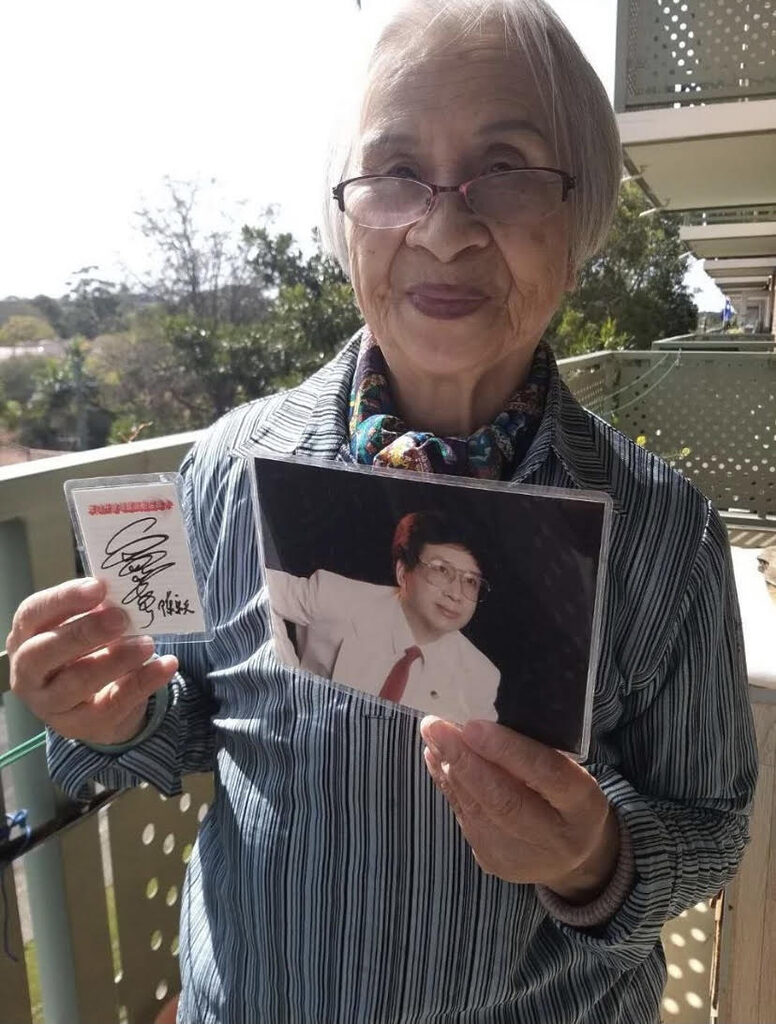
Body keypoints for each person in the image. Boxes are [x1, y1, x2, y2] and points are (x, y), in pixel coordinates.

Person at [6, 2, 757, 1022]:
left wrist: (595, 856)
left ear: (577, 220)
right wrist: (111, 711)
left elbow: (711, 825)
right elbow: (180, 721)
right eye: (395, 170)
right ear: (344, 214)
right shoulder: (224, 471)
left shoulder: (664, 535)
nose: (442, 228)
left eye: (506, 168)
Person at [266, 510, 500, 722]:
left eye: (470, 581)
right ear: (403, 573)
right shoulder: (339, 598)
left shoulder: (481, 677)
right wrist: (288, 679)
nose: (456, 594)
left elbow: (477, 752)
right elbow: (258, 586)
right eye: (442, 570)